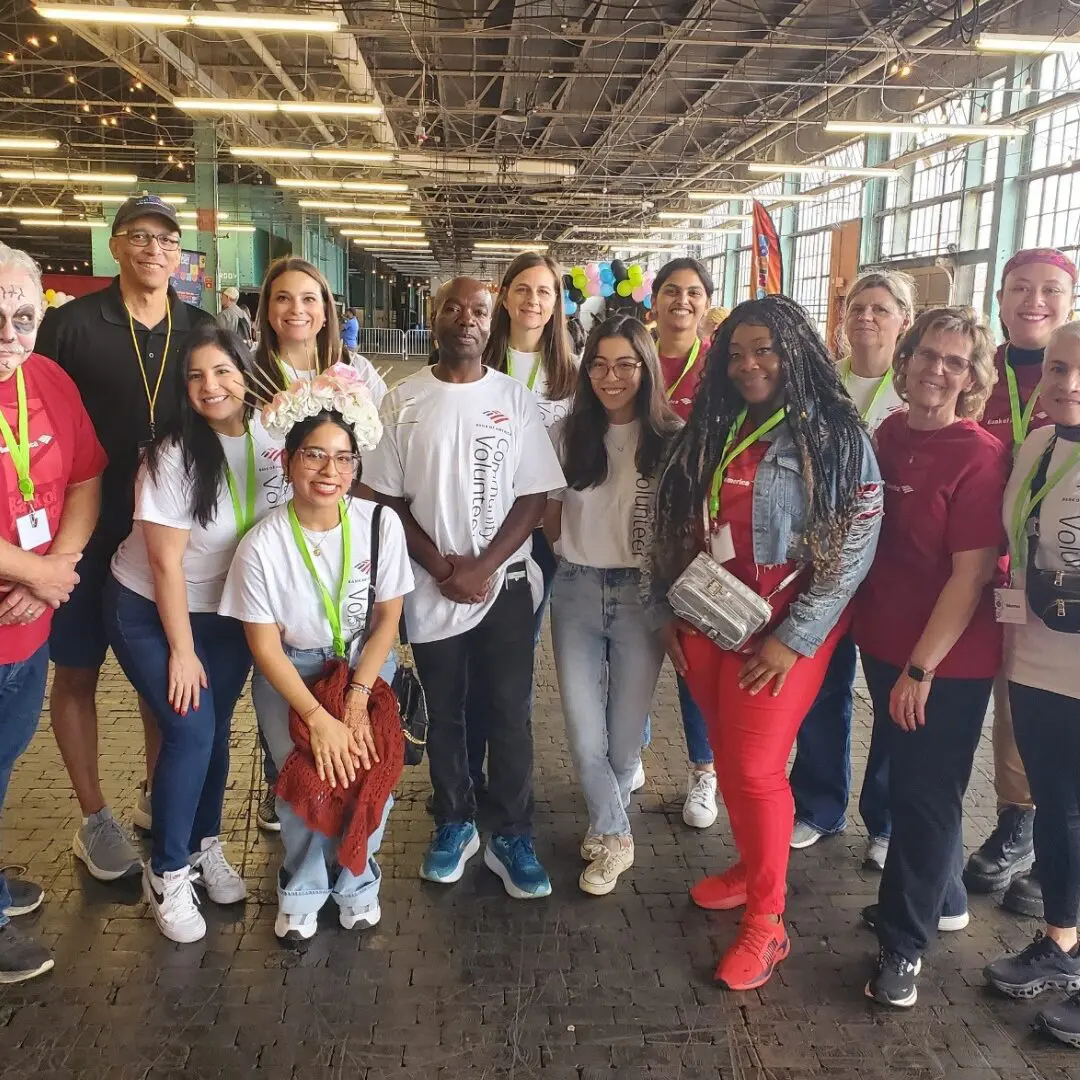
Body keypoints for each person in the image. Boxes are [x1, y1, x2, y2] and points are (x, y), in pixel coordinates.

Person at [650, 294, 883, 991]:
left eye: (766, 350)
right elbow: (675, 518)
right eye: (738, 352)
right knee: (727, 753)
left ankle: (768, 921)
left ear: (796, 352)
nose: (750, 363)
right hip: (711, 617)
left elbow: (854, 548)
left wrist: (796, 638)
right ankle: (751, 867)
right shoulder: (715, 423)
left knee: (753, 769)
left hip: (784, 629)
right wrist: (671, 609)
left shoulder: (836, 435)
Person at [361, 277, 565, 899]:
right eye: (454, 307)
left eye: (479, 309)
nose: (467, 319)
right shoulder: (402, 401)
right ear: (436, 316)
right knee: (445, 714)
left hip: (503, 586)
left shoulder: (513, 399)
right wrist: (445, 569)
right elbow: (381, 496)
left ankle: (511, 832)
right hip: (430, 588)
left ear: (490, 319)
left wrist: (482, 567)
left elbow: (534, 494)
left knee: (508, 712)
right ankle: (454, 821)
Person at [35, 193, 215, 880]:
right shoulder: (72, 325)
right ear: (114, 246)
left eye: (166, 240)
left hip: (162, 543)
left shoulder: (198, 326)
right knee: (76, 673)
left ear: (179, 255)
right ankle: (94, 818)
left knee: (160, 680)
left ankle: (154, 797)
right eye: (138, 236)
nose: (153, 249)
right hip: (82, 534)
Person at [103, 325, 285, 943]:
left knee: (215, 731)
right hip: (150, 609)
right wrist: (181, 650)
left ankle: (206, 844)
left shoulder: (272, 440)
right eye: (197, 376)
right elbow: (163, 565)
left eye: (224, 371)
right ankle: (169, 870)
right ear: (184, 389)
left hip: (229, 611)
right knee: (189, 728)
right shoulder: (171, 454)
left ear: (247, 373)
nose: (212, 386)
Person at [220, 365, 412, 941]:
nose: (331, 472)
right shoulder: (264, 543)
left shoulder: (380, 524)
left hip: (366, 670)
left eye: (343, 458)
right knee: (307, 781)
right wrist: (315, 717)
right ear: (288, 461)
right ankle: (302, 887)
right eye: (314, 457)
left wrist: (353, 702)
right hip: (293, 675)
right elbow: (262, 644)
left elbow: (388, 618)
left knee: (369, 774)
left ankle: (357, 880)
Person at [855, 307, 1006, 1009]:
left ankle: (904, 946)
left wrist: (922, 667)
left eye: (955, 362)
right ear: (906, 358)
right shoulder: (889, 433)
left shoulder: (977, 455)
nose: (936, 371)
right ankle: (932, 901)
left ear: (973, 378)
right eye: (927, 355)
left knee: (926, 796)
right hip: (884, 643)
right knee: (908, 784)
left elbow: (970, 575)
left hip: (943, 660)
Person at [544, 315, 680, 895]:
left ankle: (608, 818)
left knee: (625, 741)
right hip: (574, 590)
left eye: (626, 364)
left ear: (646, 368)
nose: (611, 376)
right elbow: (548, 512)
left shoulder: (672, 438)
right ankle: (614, 835)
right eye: (598, 364)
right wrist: (566, 549)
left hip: (640, 597)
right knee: (581, 732)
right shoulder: (566, 433)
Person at [0, 244, 106, 981]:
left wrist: (55, 571)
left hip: (28, 628)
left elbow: (87, 477)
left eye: (22, 317)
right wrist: (31, 569)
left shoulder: (48, 379)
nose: (7, 333)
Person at [964, 248, 1078, 921]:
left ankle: (1053, 851)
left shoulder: (1070, 378)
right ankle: (1019, 821)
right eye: (1020, 289)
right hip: (992, 575)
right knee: (1018, 712)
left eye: (1051, 289)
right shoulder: (979, 371)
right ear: (1000, 299)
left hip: (1057, 587)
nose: (1033, 300)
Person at [789, 270, 913, 864]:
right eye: (857, 307)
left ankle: (886, 820)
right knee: (823, 691)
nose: (866, 318)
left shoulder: (917, 390)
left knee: (891, 699)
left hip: (894, 569)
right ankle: (818, 803)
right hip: (828, 567)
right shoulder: (819, 388)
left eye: (881, 309)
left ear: (903, 322)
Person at [983, 321, 1080, 1047]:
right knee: (1057, 810)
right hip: (1040, 655)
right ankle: (1061, 944)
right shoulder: (1041, 446)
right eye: (1057, 369)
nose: (1068, 384)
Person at [467, 254, 578, 798]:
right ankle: (471, 759)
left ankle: (505, 765)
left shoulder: (571, 375)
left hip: (541, 535)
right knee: (474, 650)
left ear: (556, 304)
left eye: (545, 292)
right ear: (504, 295)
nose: (534, 301)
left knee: (516, 651)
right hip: (476, 528)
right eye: (524, 290)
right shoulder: (476, 362)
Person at [651, 257, 719, 829]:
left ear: (705, 302)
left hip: (693, 531)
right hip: (628, 522)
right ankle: (631, 748)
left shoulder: (719, 367)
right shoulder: (635, 357)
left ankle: (703, 770)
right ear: (654, 301)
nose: (682, 300)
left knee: (691, 655)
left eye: (693, 292)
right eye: (672, 290)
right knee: (622, 644)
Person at [254, 259, 387, 408]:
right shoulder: (246, 370)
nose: (297, 309)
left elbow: (384, 426)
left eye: (309, 299)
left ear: (325, 311)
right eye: (283, 298)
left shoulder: (358, 369)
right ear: (267, 309)